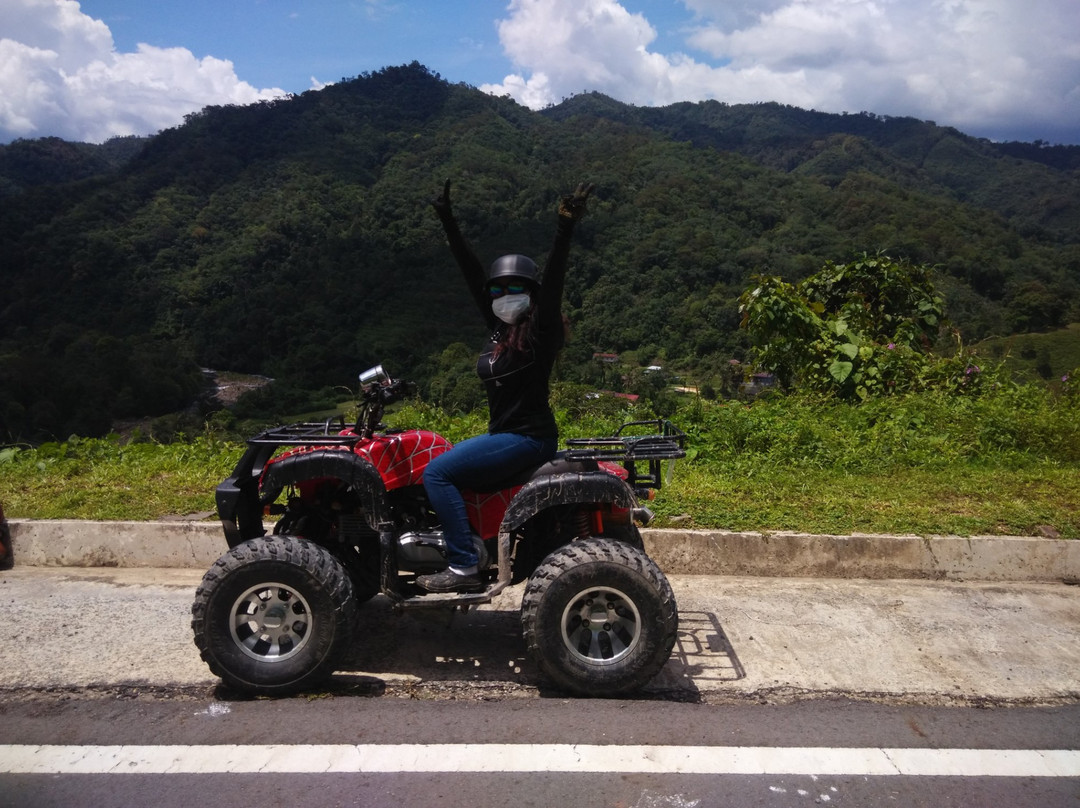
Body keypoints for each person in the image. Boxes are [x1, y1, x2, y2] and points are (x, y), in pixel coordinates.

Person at [417, 179, 593, 593]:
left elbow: (553, 284)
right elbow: (472, 274)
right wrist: (449, 222)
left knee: (437, 474)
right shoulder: (498, 330)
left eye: (516, 289)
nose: (504, 294)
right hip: (506, 436)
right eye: (499, 290)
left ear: (531, 296)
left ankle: (463, 566)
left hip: (528, 438)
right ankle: (468, 543)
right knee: (440, 458)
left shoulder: (540, 332)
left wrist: (564, 227)